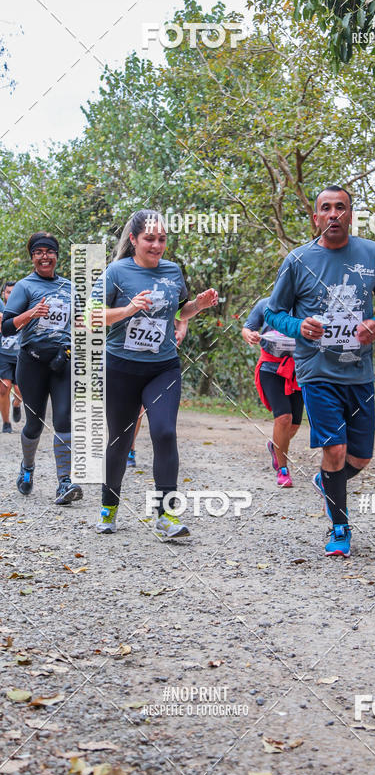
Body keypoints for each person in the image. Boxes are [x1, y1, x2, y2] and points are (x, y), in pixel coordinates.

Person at [265, 185, 375, 557]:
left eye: (340, 208)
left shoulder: (372, 254)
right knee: (336, 449)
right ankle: (340, 527)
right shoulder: (298, 260)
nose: (333, 215)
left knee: (360, 458)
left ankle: (327, 480)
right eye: (325, 208)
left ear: (351, 215)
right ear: (315, 218)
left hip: (359, 371)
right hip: (317, 371)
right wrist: (299, 327)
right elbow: (272, 313)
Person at [89, 209, 217, 539]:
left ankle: (166, 516)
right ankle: (109, 506)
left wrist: (197, 307)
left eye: (162, 239)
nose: (157, 245)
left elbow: (179, 311)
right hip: (121, 368)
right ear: (133, 239)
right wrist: (129, 309)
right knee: (120, 439)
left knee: (164, 433)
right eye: (149, 239)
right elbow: (92, 316)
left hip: (162, 367)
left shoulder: (173, 271)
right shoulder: (117, 272)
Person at [1, 233, 83, 504]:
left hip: (62, 361)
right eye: (39, 252)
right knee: (34, 424)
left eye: (50, 251)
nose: (45, 256)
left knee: (63, 419)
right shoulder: (25, 287)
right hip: (31, 362)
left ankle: (65, 483)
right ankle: (27, 467)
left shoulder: (70, 287)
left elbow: (81, 322)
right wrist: (31, 314)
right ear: (33, 257)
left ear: (57, 256)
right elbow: (6, 326)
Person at [242, 297, 303, 487]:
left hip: (298, 369)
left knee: (293, 425)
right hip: (270, 368)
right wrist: (249, 335)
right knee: (283, 418)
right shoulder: (265, 304)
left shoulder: (307, 304)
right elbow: (247, 327)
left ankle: (275, 446)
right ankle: (283, 470)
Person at [127, 317, 188, 467]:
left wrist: (181, 332)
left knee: (149, 413)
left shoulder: (173, 294)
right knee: (134, 410)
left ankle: (158, 457)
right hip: (131, 358)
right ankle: (128, 448)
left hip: (162, 362)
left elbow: (183, 316)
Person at [0, 281, 22, 432]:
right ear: (4, 294)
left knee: (21, 390)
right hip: (3, 354)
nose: (11, 295)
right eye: (8, 292)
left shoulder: (25, 306)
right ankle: (6, 423)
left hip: (21, 355)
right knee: (3, 388)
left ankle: (16, 404)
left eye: (14, 292)